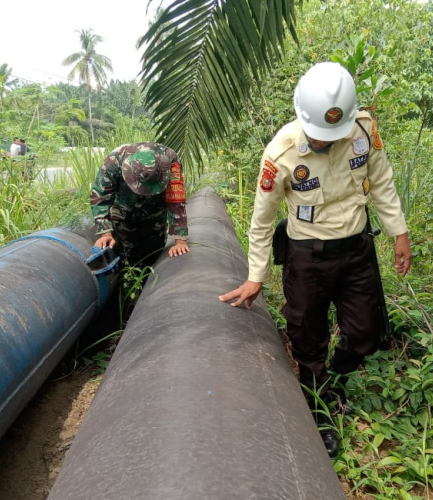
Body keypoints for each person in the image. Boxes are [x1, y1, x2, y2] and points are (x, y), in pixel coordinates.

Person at [219, 62, 412, 458]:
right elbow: (262, 220)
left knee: (366, 332)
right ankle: (317, 401)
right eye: (321, 136)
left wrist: (399, 232)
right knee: (307, 334)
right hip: (307, 254)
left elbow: (382, 179)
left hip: (357, 247)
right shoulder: (281, 154)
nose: (327, 142)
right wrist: (256, 275)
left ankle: (336, 379)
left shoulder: (363, 130)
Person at [91, 142, 190, 272]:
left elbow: (176, 199)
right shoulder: (114, 161)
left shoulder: (171, 159)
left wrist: (180, 241)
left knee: (154, 249)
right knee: (124, 251)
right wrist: (105, 233)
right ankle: (125, 279)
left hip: (156, 208)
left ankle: (149, 278)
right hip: (124, 207)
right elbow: (100, 197)